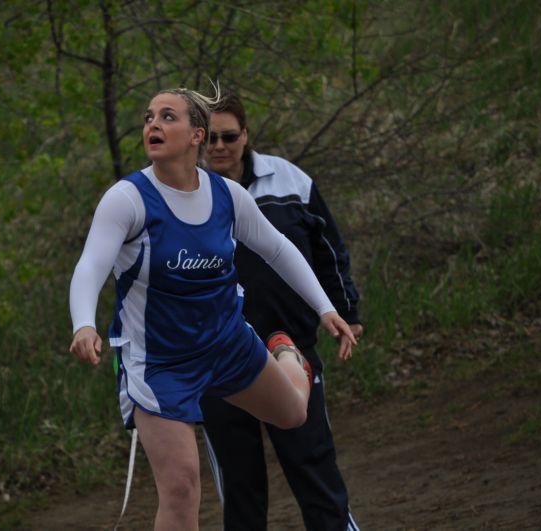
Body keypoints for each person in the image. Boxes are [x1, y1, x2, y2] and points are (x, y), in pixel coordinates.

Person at [68, 85, 357, 530]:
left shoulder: (227, 196)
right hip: (160, 362)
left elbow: (278, 250)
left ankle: (283, 352)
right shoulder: (127, 199)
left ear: (197, 134)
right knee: (182, 488)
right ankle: (279, 356)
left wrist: (324, 308)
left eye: (168, 117)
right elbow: (91, 265)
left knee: (294, 414)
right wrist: (83, 324)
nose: (153, 125)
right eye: (148, 117)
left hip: (227, 344)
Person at [200, 91, 363, 531]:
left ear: (246, 135)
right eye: (210, 137)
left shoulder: (290, 181)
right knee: (241, 486)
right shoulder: (183, 194)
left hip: (290, 348)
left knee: (314, 469)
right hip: (219, 360)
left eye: (228, 136)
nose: (219, 146)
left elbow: (329, 250)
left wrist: (344, 309)